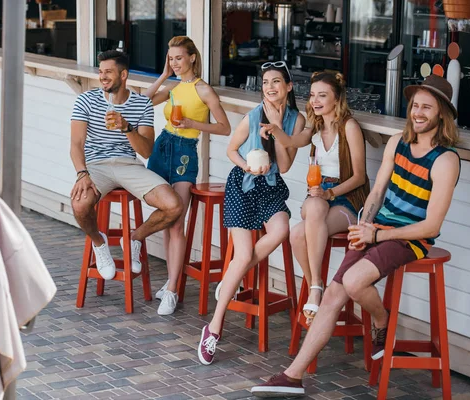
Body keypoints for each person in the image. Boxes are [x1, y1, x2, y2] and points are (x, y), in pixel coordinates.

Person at [250, 74, 461, 397]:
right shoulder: (397, 143)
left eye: (426, 107)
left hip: (410, 239)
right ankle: (293, 376)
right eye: (415, 105)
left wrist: (376, 236)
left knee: (351, 282)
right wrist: (365, 226)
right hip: (376, 229)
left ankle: (381, 318)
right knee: (334, 295)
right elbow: (375, 192)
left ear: (441, 114)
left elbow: (431, 227)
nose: (418, 112)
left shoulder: (446, 160)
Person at [197, 61, 307, 366]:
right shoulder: (252, 115)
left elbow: (284, 166)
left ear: (288, 86)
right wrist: (246, 165)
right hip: (243, 185)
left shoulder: (296, 121)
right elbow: (231, 149)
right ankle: (214, 327)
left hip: (271, 189)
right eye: (265, 82)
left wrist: (275, 130)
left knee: (281, 230)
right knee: (243, 255)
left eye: (276, 82)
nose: (270, 87)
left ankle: (233, 276)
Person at [70, 50, 183, 282]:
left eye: (108, 72)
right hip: (95, 165)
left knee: (173, 205)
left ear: (123, 75)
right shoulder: (86, 100)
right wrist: (82, 173)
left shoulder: (141, 104)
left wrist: (127, 127)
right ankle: (99, 243)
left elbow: (146, 151)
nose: (102, 77)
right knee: (79, 205)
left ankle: (134, 238)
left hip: (128, 165)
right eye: (101, 72)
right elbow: (76, 143)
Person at [266, 71, 370, 325]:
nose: (315, 100)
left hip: (347, 200)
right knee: (309, 214)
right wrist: (276, 128)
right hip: (318, 195)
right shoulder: (315, 128)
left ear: (337, 99)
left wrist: (330, 193)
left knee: (298, 233)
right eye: (312, 95)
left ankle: (315, 288)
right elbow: (293, 141)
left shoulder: (349, 127)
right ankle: (317, 284)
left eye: (322, 95)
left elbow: (359, 177)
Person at [143, 36, 231, 315]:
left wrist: (193, 123)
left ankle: (171, 290)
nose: (175, 63)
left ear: (193, 57)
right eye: (171, 58)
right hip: (162, 148)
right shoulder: (173, 86)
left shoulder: (204, 90)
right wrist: (164, 75)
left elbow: (225, 127)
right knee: (166, 218)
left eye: (179, 58)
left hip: (184, 154)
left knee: (176, 222)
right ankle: (171, 282)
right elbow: (145, 101)